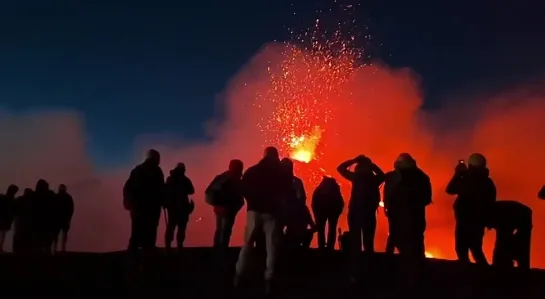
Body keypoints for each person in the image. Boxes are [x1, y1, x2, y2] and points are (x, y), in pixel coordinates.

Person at [234, 146, 292, 295]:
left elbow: (243, 189)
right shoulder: (282, 172)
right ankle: (269, 280)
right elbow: (287, 191)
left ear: (264, 155)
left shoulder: (252, 171)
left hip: (254, 211)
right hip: (273, 213)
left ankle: (238, 276)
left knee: (247, 244)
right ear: (276, 156)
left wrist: (253, 201)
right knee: (271, 247)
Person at [383, 153, 432, 292]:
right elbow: (427, 199)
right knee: (416, 248)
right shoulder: (422, 177)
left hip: (399, 219)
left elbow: (388, 196)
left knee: (395, 243)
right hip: (416, 220)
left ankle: (393, 277)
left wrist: (390, 208)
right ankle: (418, 280)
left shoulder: (394, 177)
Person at [446, 153, 496, 265]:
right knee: (476, 249)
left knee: (462, 249)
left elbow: (450, 189)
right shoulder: (488, 182)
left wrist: (458, 174)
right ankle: (485, 275)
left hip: (465, 220)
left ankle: (469, 274)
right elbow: (491, 202)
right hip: (479, 222)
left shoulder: (467, 180)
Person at [337, 155, 385, 253]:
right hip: (369, 214)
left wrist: (353, 160)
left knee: (355, 241)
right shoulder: (374, 179)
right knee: (368, 242)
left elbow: (340, 168)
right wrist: (372, 166)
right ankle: (368, 265)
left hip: (355, 212)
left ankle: (356, 264)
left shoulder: (356, 177)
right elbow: (382, 176)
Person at [123, 149, 165, 253]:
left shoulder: (139, 170)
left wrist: (129, 204)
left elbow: (128, 188)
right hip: (147, 208)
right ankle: (143, 256)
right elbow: (161, 189)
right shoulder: (155, 171)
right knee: (146, 231)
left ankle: (136, 256)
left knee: (139, 231)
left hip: (141, 208)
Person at [205, 159, 244, 251]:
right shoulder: (234, 178)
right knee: (226, 230)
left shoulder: (222, 177)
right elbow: (237, 193)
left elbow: (209, 191)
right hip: (228, 208)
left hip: (220, 207)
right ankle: (222, 251)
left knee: (219, 229)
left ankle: (217, 250)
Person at [487, 200, 532, 269]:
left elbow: (501, 242)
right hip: (521, 216)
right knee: (520, 251)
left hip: (517, 216)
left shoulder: (499, 215)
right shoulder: (495, 213)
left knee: (505, 246)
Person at [163, 163, 195, 251]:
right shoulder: (185, 180)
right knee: (181, 227)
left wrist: (165, 203)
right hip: (182, 208)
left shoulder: (170, 179)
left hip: (172, 208)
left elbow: (165, 191)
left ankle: (168, 245)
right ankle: (179, 245)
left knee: (171, 226)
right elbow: (191, 190)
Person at [312, 176, 344, 250]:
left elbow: (314, 203)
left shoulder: (319, 190)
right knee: (330, 229)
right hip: (329, 212)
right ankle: (329, 246)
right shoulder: (335, 190)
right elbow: (340, 202)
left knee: (322, 229)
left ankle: (322, 246)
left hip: (324, 212)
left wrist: (316, 213)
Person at [33, 179, 58, 254]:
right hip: (48, 222)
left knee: (39, 241)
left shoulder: (34, 195)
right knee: (47, 241)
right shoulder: (51, 194)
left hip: (38, 221)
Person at [52, 184, 74, 253]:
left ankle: (56, 248)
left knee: (57, 235)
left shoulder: (56, 197)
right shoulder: (68, 197)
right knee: (62, 235)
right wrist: (69, 218)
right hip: (63, 219)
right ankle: (62, 248)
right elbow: (71, 209)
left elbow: (52, 208)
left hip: (58, 219)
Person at [13, 188, 34, 254]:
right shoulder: (32, 201)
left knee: (18, 235)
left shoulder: (19, 199)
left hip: (19, 219)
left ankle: (16, 250)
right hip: (27, 221)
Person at [0, 185, 19, 252]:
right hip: (6, 219)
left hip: (4, 218)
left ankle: (1, 247)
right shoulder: (13, 201)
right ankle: (0, 247)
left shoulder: (3, 198)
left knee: (3, 233)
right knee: (3, 233)